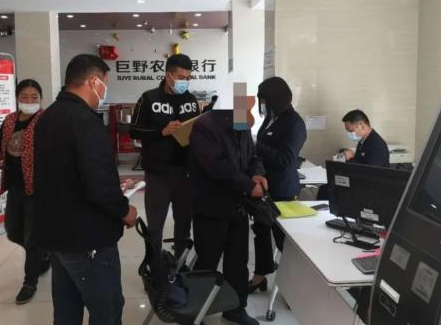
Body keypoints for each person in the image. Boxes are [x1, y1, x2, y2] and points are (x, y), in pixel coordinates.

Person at [33, 54, 137, 325]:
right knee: (107, 309)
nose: (105, 90)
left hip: (57, 233)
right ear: (93, 81)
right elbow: (98, 186)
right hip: (88, 239)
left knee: (67, 310)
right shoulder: (85, 121)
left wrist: (111, 185)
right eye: (105, 83)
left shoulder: (48, 117)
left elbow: (65, 173)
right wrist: (124, 210)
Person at [189, 105, 267, 325]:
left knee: (238, 262)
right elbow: (216, 167)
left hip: (238, 206)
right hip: (211, 207)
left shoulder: (241, 124)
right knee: (207, 262)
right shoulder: (205, 126)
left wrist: (257, 173)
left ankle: (235, 309)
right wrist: (248, 186)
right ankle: (194, 312)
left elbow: (252, 155)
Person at [129, 54, 200, 258]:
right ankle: (155, 267)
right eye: (181, 77)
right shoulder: (149, 98)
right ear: (168, 75)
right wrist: (162, 131)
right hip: (158, 174)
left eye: (188, 78)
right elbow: (134, 131)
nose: (185, 82)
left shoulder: (191, 100)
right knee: (155, 226)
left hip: (185, 173)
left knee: (183, 225)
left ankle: (180, 264)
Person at [0, 79, 49, 305]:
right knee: (13, 232)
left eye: (34, 97)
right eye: (25, 96)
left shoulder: (46, 120)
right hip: (15, 185)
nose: (29, 100)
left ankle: (29, 282)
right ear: (17, 98)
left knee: (31, 237)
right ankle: (43, 253)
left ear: (40, 99)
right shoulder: (10, 120)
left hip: (38, 187)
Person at [249, 77, 307, 293]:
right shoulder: (271, 118)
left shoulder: (294, 123)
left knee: (283, 240)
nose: (262, 104)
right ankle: (259, 276)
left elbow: (286, 159)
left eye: (264, 100)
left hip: (283, 190)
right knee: (261, 233)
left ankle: (295, 287)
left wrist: (257, 145)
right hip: (264, 187)